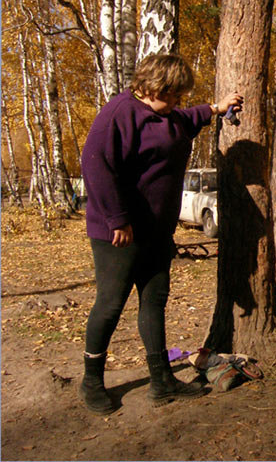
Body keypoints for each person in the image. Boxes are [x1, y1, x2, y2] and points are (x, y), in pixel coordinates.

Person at [78, 54, 243, 414]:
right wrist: (117, 220)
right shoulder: (119, 113)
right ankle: (91, 381)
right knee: (110, 304)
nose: (178, 103)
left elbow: (185, 119)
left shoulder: (167, 114)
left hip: (156, 232)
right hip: (119, 233)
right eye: (174, 95)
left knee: (154, 301)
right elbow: (96, 166)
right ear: (156, 86)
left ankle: (161, 381)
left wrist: (216, 108)